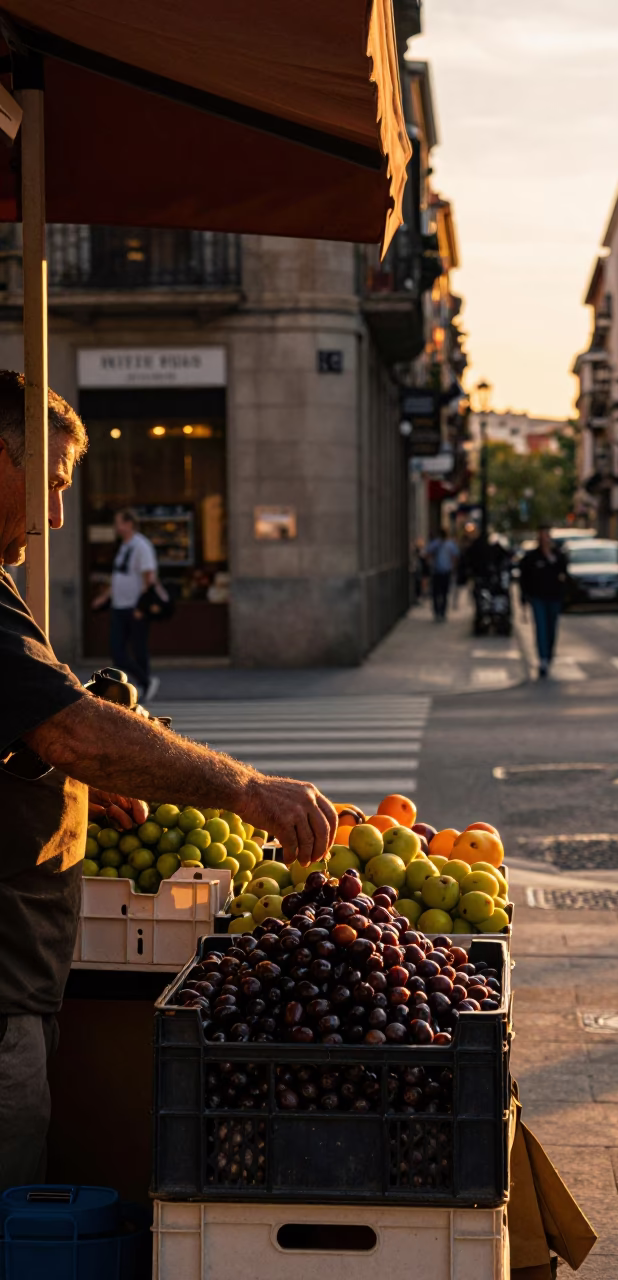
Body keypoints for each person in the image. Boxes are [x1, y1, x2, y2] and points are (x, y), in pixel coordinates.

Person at [0, 370, 338, 1190]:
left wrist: (69, 770)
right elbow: (71, 724)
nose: (54, 517)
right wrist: (247, 791)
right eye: (50, 485)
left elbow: (41, 726)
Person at [92, 510, 161, 702]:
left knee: (139, 649)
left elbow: (149, 576)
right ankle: (146, 681)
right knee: (117, 651)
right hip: (119, 606)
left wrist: (142, 605)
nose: (116, 527)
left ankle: (144, 684)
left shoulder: (142, 546)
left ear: (129, 524)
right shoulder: (124, 546)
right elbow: (119, 578)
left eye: (118, 522)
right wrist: (105, 597)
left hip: (135, 606)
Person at [519, 526, 568, 677]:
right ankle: (543, 659)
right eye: (542, 537)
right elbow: (524, 577)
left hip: (554, 597)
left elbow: (564, 572)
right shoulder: (532, 557)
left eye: (546, 536)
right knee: (541, 627)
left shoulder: (557, 555)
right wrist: (524, 596)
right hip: (538, 597)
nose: (544, 540)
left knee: (551, 628)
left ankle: (549, 654)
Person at [426, 528, 458, 621]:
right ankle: (438, 612)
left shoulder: (449, 545)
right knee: (438, 593)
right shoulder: (437, 544)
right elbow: (428, 553)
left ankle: (441, 612)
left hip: (443, 571)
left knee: (442, 593)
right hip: (438, 571)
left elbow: (455, 556)